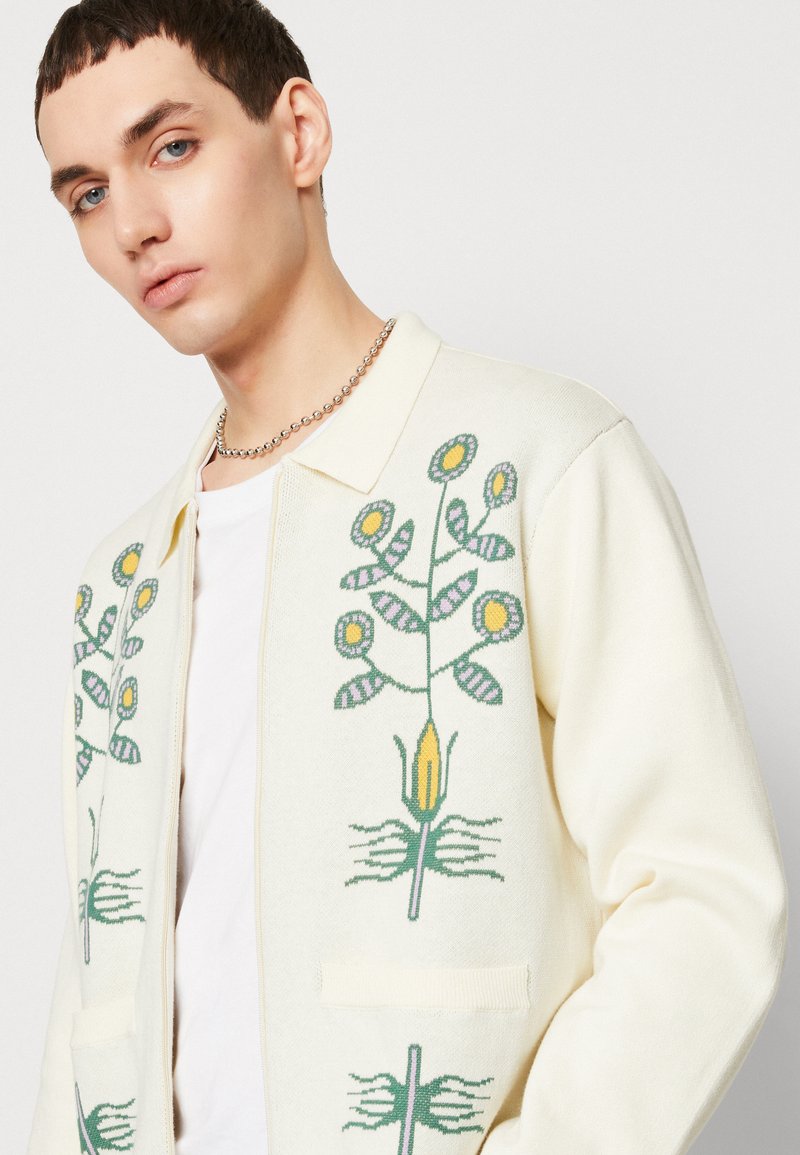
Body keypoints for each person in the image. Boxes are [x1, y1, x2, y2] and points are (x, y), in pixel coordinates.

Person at [28, 2, 788, 1153]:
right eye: (85, 194)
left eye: (171, 147)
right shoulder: (125, 579)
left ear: (298, 134)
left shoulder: (537, 462)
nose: (132, 224)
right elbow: (97, 985)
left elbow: (700, 893)